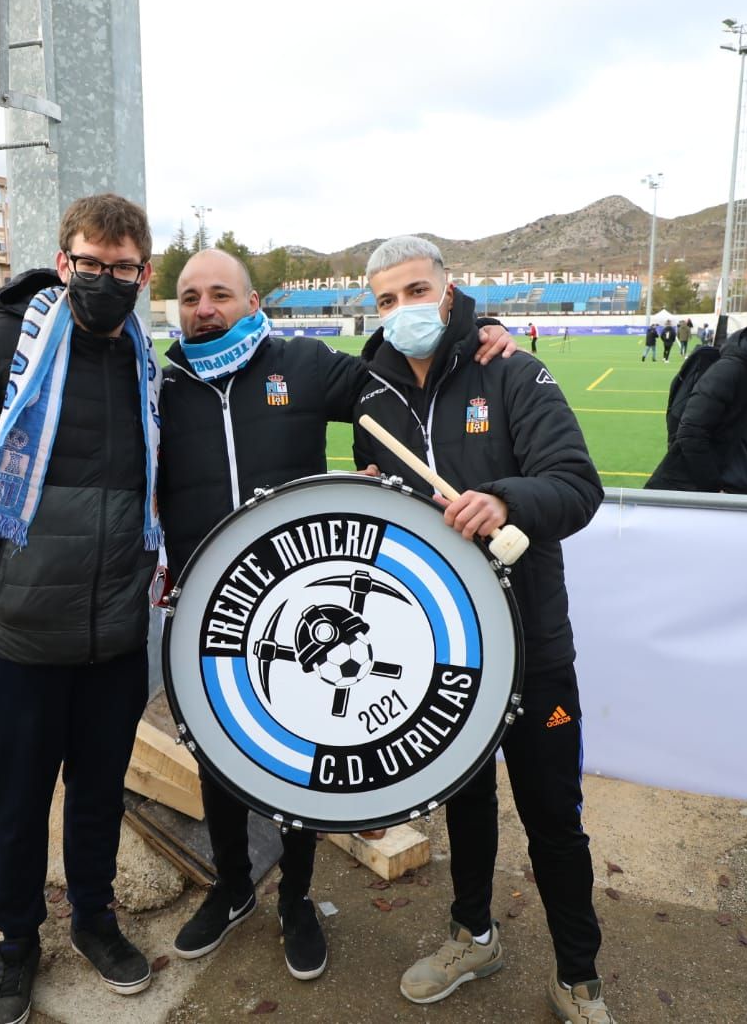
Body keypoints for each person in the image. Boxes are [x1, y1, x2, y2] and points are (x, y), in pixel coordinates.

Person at [159, 248, 517, 982]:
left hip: (295, 603)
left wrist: (480, 333)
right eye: (190, 296)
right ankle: (232, 889)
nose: (204, 308)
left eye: (220, 294)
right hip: (208, 611)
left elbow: (395, 387)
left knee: (296, 760)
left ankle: (295, 899)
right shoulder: (159, 383)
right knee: (217, 753)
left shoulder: (304, 361)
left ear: (253, 301)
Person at [0, 194, 163, 1024]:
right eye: (92, 265)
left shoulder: (145, 361)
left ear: (143, 274)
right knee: (16, 805)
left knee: (99, 797)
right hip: (14, 640)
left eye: (123, 269)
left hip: (114, 641)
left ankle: (94, 920)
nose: (106, 281)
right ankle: (16, 944)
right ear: (65, 263)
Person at [349, 236, 614, 1024]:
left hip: (531, 645)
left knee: (553, 820)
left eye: (416, 290)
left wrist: (501, 500)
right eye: (387, 300)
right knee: (462, 804)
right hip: (440, 649)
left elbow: (576, 486)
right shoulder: (371, 394)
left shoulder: (512, 369)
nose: (404, 310)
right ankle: (473, 935)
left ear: (450, 288)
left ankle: (580, 976)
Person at [645, 302, 747, 494]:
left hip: (736, 487)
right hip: (702, 493)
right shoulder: (730, 370)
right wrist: (715, 488)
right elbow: (691, 432)